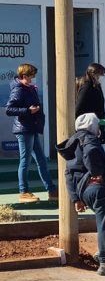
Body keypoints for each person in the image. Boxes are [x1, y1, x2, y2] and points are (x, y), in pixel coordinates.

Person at [56, 113, 105, 276]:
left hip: (83, 190)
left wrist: (75, 198)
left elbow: (68, 173)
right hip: (98, 188)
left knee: (104, 223)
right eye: (97, 125)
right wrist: (96, 171)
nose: (99, 128)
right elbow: (92, 152)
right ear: (92, 126)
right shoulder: (89, 140)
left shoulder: (73, 143)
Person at [5, 63, 56, 203]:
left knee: (41, 160)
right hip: (24, 129)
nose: (33, 79)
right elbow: (9, 109)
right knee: (25, 161)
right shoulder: (18, 90)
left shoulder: (28, 88)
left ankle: (51, 190)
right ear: (24, 76)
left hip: (31, 128)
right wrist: (28, 111)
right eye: (31, 76)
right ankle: (24, 191)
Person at [75, 63, 105, 144]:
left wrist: (102, 128)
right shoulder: (87, 87)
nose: (101, 77)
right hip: (88, 125)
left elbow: (101, 109)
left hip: (98, 122)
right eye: (100, 75)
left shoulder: (97, 86)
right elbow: (79, 106)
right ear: (94, 74)